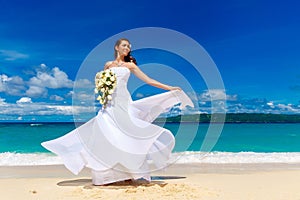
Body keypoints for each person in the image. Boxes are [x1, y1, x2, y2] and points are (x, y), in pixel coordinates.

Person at [41, 38, 194, 185]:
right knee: (108, 136)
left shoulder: (131, 66)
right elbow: (101, 84)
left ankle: (129, 173)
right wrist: (103, 95)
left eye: (129, 47)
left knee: (125, 135)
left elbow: (149, 80)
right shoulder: (108, 65)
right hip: (109, 105)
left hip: (124, 103)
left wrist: (170, 88)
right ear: (117, 47)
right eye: (125, 45)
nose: (127, 48)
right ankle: (107, 176)